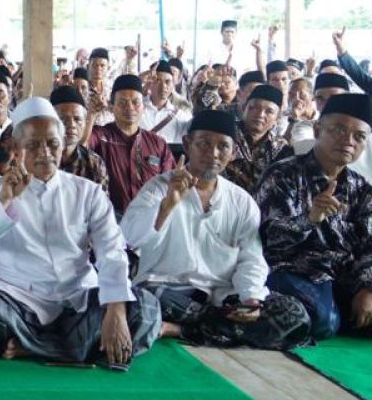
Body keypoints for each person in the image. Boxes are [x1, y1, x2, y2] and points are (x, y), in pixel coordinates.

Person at [0, 98, 161, 365]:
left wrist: (116, 308)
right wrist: (5, 202)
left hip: (80, 296)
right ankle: (80, 347)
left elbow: (111, 250)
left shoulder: (87, 192)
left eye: (52, 144)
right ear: (16, 149)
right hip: (20, 299)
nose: (45, 152)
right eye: (33, 145)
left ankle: (37, 346)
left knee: (148, 308)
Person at [121, 110, 309, 349]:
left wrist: (250, 298)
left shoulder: (241, 201)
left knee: (293, 314)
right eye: (204, 144)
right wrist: (167, 205)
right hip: (165, 290)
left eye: (223, 146)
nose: (213, 153)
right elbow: (128, 238)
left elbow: (251, 258)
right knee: (140, 304)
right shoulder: (159, 188)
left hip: (221, 297)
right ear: (188, 145)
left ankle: (180, 330)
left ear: (233, 153)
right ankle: (219, 331)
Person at [255, 93, 372, 340]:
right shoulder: (283, 174)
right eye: (339, 130)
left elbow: (369, 245)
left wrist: (367, 288)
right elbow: (271, 243)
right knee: (324, 321)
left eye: (359, 136)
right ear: (318, 129)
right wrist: (310, 218)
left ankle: (348, 312)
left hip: (344, 274)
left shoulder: (361, 188)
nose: (348, 141)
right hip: (293, 270)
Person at [88, 74, 175, 215]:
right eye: (122, 103)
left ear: (143, 107)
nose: (129, 107)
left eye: (136, 102)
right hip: (111, 220)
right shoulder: (101, 136)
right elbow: (80, 147)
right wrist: (91, 115)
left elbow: (169, 183)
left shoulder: (158, 144)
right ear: (112, 107)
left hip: (150, 220)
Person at [223, 84, 292, 194]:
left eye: (269, 111)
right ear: (244, 107)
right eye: (254, 108)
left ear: (277, 118)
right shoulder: (224, 133)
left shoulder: (281, 148)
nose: (260, 114)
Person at [49, 86, 110, 189]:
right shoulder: (41, 159)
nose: (71, 124)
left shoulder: (94, 163)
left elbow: (102, 203)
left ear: (85, 122)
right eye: (63, 119)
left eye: (77, 119)